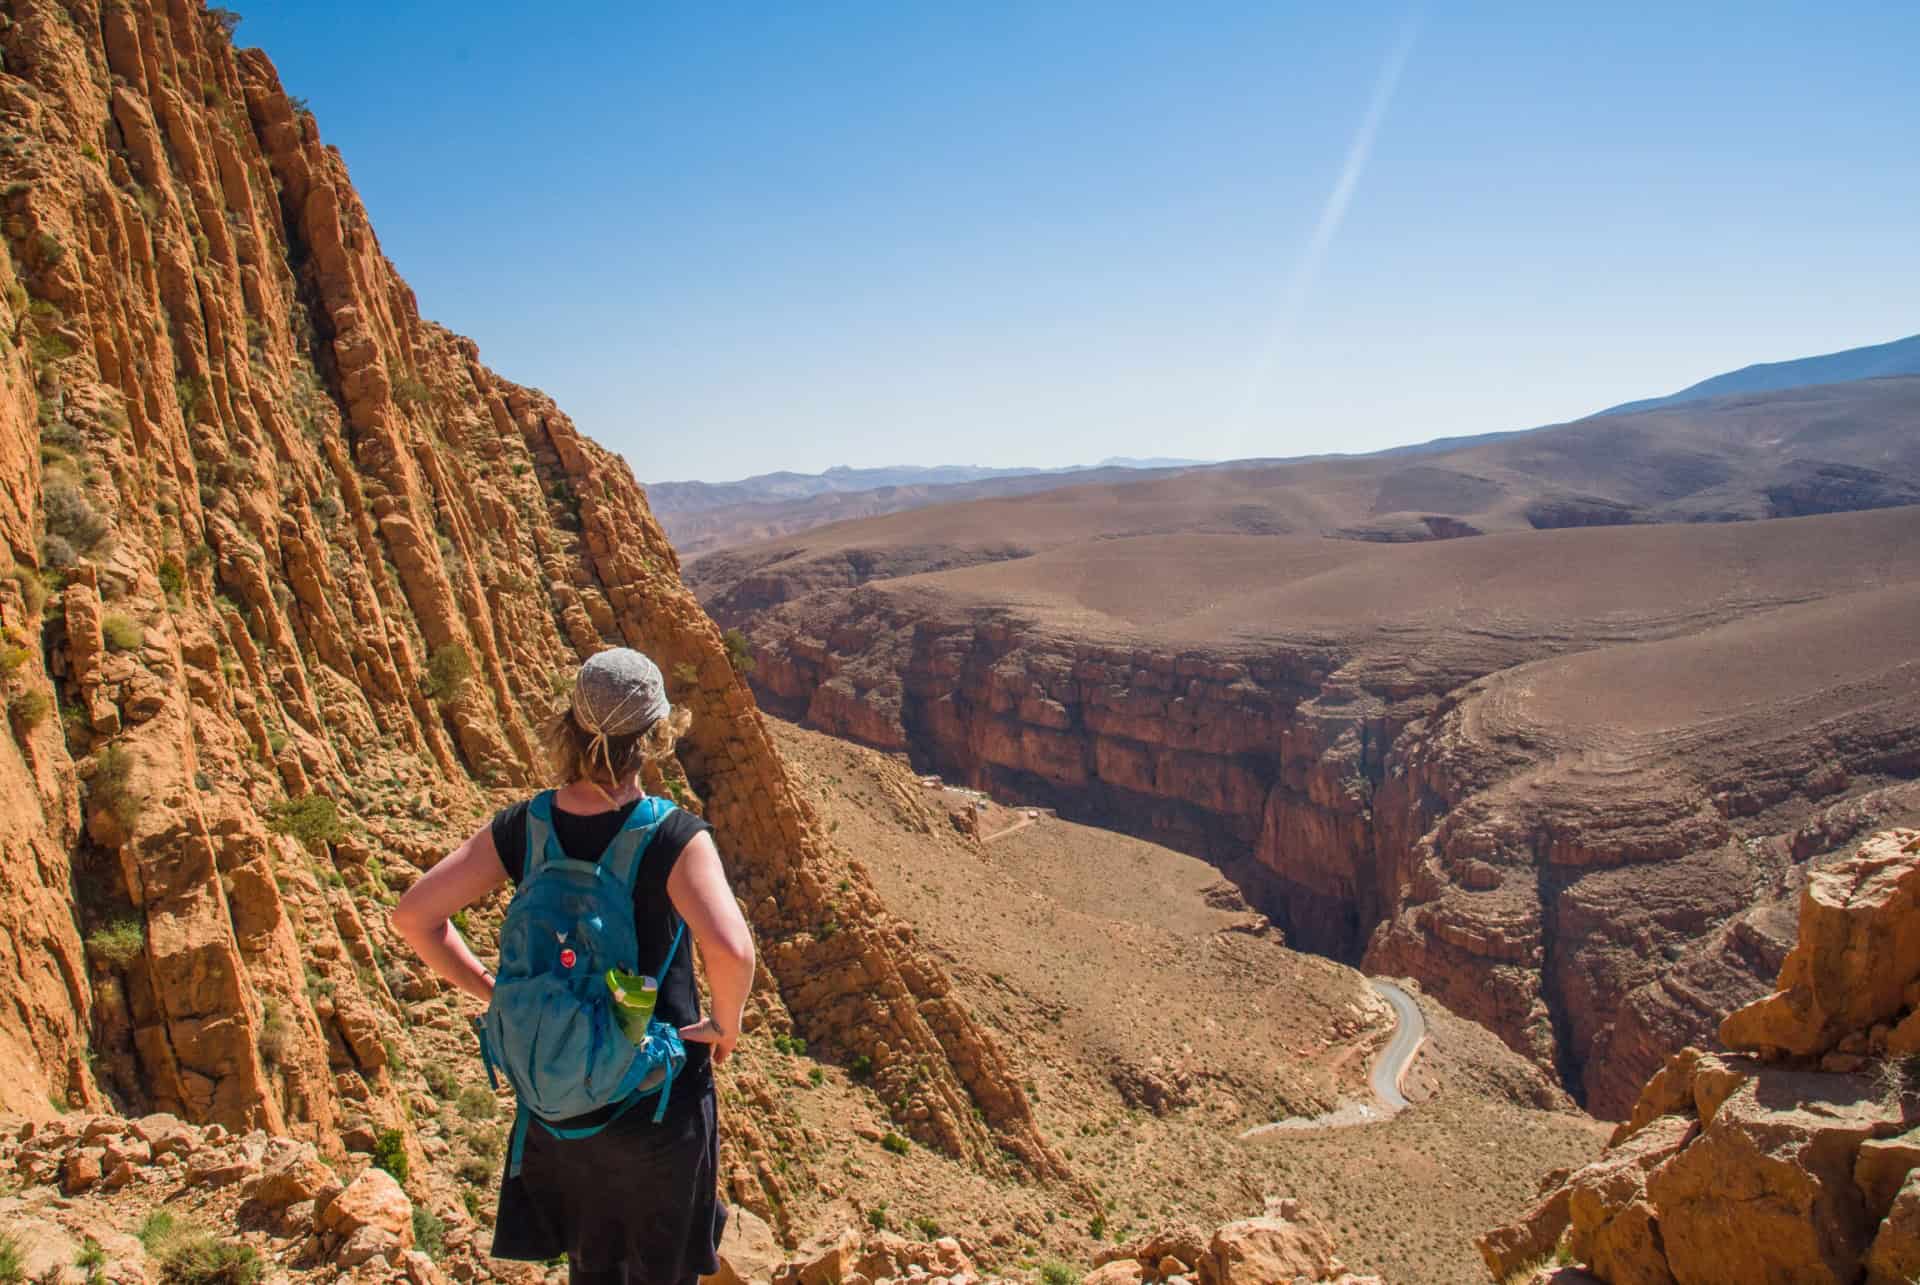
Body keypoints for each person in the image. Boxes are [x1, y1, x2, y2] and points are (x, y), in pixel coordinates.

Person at [393, 647, 755, 1285]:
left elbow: (414, 916)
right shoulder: (673, 836)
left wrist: (490, 990)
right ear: (654, 736)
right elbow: (731, 951)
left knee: (593, 1270)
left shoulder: (525, 827)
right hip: (653, 1102)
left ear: (572, 726)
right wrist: (724, 1025)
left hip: (561, 1110)